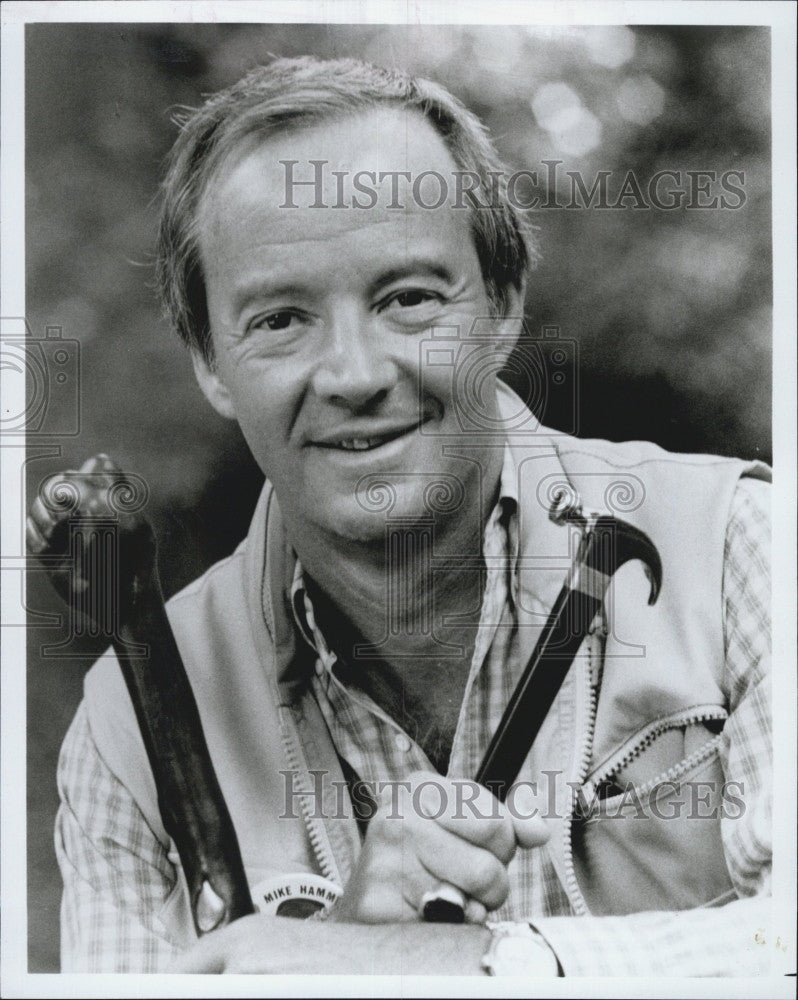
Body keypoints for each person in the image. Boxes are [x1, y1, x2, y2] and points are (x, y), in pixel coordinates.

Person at [41, 56, 772, 975]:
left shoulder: (742, 551)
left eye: (409, 299)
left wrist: (471, 967)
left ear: (503, 306)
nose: (354, 375)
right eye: (279, 320)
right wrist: (342, 943)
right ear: (210, 364)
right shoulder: (126, 736)